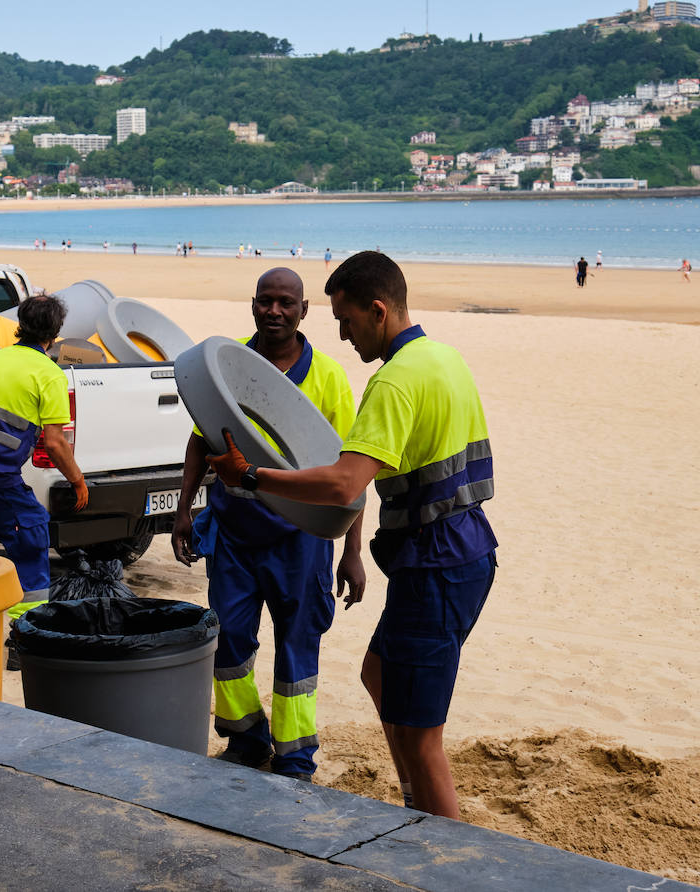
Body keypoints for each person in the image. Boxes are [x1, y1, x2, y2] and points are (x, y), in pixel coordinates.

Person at [205, 252, 496, 819]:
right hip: (464, 545)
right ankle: (416, 807)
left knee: (420, 736)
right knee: (377, 673)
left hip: (437, 561)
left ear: (379, 310)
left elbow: (344, 485)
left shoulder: (392, 382)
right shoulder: (445, 358)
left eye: (347, 320)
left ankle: (445, 844)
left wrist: (252, 476)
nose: (343, 334)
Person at [173, 267, 366, 783]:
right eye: (265, 301)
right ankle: (247, 738)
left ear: (305, 311)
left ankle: (295, 757)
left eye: (286, 303)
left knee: (297, 647)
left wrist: (352, 551)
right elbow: (201, 441)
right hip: (234, 531)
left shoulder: (326, 377)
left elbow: (352, 472)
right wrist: (184, 507)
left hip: (300, 539)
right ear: (253, 304)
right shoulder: (228, 365)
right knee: (229, 640)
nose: (274, 311)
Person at [0, 295, 89, 636]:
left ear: (20, 324)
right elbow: (54, 443)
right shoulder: (50, 375)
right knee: (32, 534)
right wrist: (78, 480)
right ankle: (28, 634)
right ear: (55, 333)